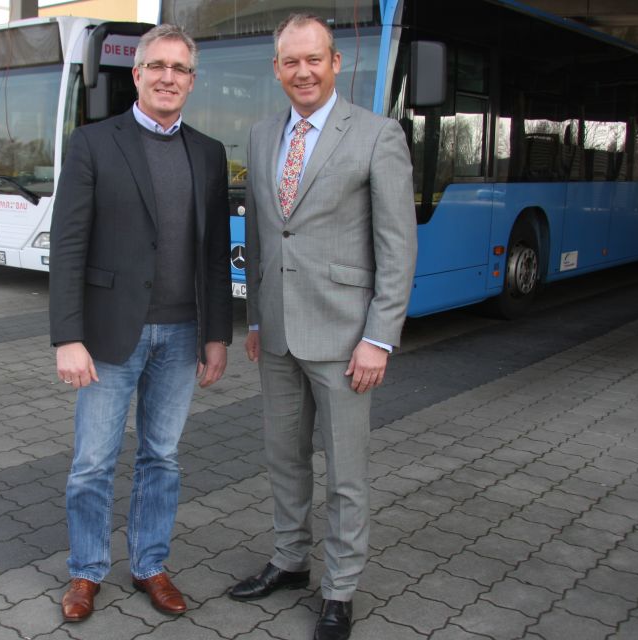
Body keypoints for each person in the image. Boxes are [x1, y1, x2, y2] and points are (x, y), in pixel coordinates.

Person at [228, 13, 417, 640]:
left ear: (335, 63)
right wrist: (255, 318)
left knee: (346, 471)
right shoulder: (259, 138)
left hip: (344, 338)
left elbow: (397, 245)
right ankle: (289, 560)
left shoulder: (375, 135)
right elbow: (261, 236)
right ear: (277, 68)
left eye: (314, 59)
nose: (302, 71)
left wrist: (378, 336)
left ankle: (339, 591)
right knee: (284, 459)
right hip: (278, 331)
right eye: (290, 61)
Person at [48, 24, 233, 623]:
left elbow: (214, 252)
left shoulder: (207, 153)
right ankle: (86, 570)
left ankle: (150, 563)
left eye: (180, 70)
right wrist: (67, 337)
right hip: (107, 334)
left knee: (162, 457)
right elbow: (68, 243)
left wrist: (217, 335)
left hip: (182, 335)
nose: (168, 78)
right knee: (93, 462)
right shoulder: (94, 143)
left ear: (192, 81)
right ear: (137, 74)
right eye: (157, 66)